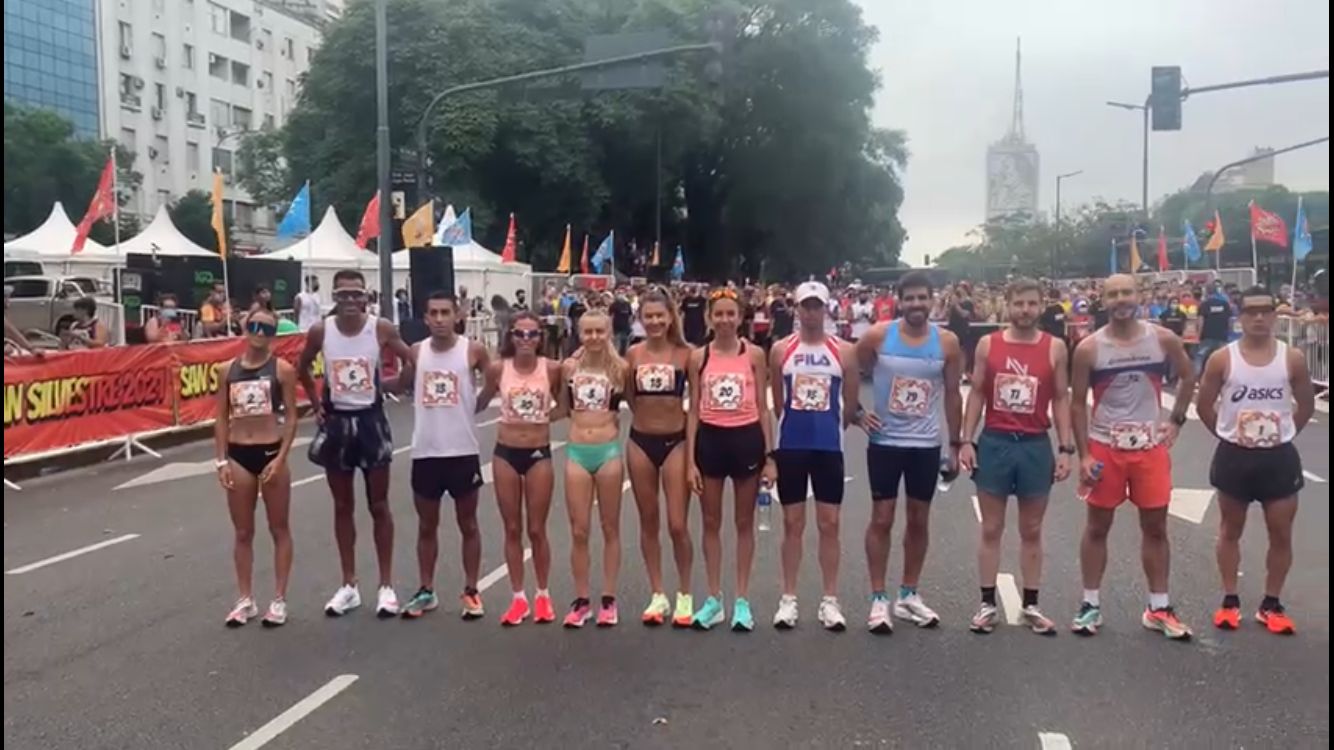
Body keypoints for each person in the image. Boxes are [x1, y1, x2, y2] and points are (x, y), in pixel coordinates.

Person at [1069, 273, 1195, 639]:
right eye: (1113, 294)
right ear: (1102, 300)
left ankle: (1158, 607)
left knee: (1155, 528)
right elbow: (1077, 404)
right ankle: (1090, 604)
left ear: (1138, 296)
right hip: (1106, 449)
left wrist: (1176, 421)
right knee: (1097, 527)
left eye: (1127, 292)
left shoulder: (1162, 339)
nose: (1121, 299)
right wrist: (1084, 455)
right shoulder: (1090, 348)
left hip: (1148, 448)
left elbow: (1188, 377)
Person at [1196, 286, 1315, 635]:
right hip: (1235, 456)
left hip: (1278, 458)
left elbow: (1305, 405)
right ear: (1240, 316)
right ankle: (1230, 600)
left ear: (1275, 316)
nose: (1259, 318)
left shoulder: (1291, 358)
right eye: (1251, 311)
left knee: (1281, 533)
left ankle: (1271, 604)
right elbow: (1204, 405)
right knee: (1230, 530)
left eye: (1266, 311)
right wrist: (1228, 435)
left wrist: (1284, 434)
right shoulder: (1223, 359)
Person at [957, 278, 1073, 635]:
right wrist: (966, 440)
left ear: (1041, 306)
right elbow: (976, 392)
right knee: (991, 527)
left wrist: (1066, 447)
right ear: (1007, 304)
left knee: (1032, 529)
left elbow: (1060, 398)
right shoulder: (988, 344)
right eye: (1019, 303)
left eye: (1032, 304)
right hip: (995, 442)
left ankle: (1031, 605)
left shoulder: (1054, 347)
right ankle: (987, 603)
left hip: (1035, 443)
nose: (1025, 310)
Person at [297, 269, 415, 618]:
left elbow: (411, 358)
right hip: (337, 422)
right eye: (343, 294)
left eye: (355, 294)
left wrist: (394, 386)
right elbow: (302, 366)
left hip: (370, 420)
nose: (349, 301)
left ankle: (386, 586)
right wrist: (316, 405)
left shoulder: (379, 328)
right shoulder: (322, 330)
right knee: (342, 505)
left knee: (378, 504)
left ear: (366, 297)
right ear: (334, 297)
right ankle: (349, 585)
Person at [855, 271, 964, 633]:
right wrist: (856, 412)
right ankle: (877, 598)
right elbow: (850, 370)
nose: (916, 305)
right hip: (885, 443)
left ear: (933, 300)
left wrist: (955, 443)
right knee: (882, 519)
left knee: (919, 520)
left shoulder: (946, 343)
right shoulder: (877, 336)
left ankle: (908, 594)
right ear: (898, 301)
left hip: (925, 444)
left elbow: (952, 394)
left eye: (923, 298)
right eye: (910, 298)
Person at [768, 281, 858, 631]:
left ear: (826, 309)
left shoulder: (843, 351)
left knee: (829, 524)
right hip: (791, 445)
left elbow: (849, 404)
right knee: (792, 525)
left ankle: (830, 600)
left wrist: (833, 426)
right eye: (805, 306)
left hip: (828, 448)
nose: (810, 312)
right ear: (796, 309)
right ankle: (788, 599)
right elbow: (778, 402)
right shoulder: (781, 350)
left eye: (816, 306)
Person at [401, 292, 494, 620]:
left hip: (463, 450)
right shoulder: (416, 352)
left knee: (468, 523)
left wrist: (476, 404)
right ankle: (426, 590)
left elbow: (493, 377)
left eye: (445, 313)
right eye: (433, 313)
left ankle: (471, 590)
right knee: (427, 525)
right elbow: (402, 384)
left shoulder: (473, 350)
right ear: (425, 318)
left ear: (457, 315)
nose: (440, 319)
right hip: (426, 451)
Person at [686, 288, 775, 631]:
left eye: (730, 314)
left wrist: (769, 456)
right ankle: (713, 598)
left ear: (740, 318)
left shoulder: (753, 355)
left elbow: (764, 409)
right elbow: (693, 409)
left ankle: (741, 599)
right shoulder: (698, 358)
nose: (724, 320)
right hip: (711, 439)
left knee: (743, 522)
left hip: (746, 438)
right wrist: (691, 460)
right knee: (710, 521)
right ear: (709, 318)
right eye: (718, 314)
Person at [214, 309, 299, 627]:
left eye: (266, 328)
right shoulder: (227, 370)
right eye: (254, 326)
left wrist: (281, 458)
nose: (259, 332)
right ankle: (245, 598)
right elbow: (221, 416)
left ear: (273, 334)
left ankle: (279, 598)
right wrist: (221, 459)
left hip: (269, 450)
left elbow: (291, 415)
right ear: (244, 328)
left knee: (279, 528)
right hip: (238, 454)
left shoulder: (282, 370)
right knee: (243, 531)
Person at [485, 311, 563, 626]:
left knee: (536, 528)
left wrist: (542, 420)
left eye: (533, 334)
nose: (526, 340)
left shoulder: (552, 369)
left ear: (541, 338)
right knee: (512, 528)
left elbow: (567, 405)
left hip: (537, 452)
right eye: (520, 334)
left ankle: (543, 594)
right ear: (511, 336)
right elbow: (477, 400)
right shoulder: (497, 369)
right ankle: (518, 597)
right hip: (505, 452)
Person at [625, 289, 695, 627]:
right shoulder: (633, 354)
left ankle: (684, 593)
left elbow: (695, 406)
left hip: (676, 443)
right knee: (648, 520)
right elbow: (629, 395)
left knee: (677, 524)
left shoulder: (686, 355)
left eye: (659, 316)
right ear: (641, 318)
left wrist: (693, 453)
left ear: (671, 317)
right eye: (648, 316)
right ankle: (657, 593)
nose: (654, 322)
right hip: (640, 442)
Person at [560, 311, 628, 627]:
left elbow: (642, 409)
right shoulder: (569, 369)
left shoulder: (621, 370)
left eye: (600, 331)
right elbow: (561, 408)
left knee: (610, 526)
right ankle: (582, 599)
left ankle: (609, 599)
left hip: (608, 451)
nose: (594, 337)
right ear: (579, 334)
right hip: (577, 451)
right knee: (579, 529)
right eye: (588, 332)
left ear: (609, 332)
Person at [1195, 283, 1232, 372]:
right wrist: (1228, 333)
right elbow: (1230, 320)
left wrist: (1198, 336)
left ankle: (1197, 377)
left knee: (1201, 357)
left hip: (1207, 337)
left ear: (1207, 292)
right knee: (1223, 359)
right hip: (1222, 336)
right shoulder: (1225, 304)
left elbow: (1200, 321)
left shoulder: (1204, 305)